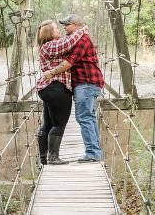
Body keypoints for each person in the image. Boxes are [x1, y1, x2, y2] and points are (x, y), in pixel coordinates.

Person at [42, 14, 104, 162]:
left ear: (76, 25)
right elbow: (62, 47)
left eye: (67, 24)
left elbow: (70, 62)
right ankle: (95, 152)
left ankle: (92, 154)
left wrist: (51, 72)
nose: (64, 27)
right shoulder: (77, 38)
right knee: (88, 117)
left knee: (84, 117)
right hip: (85, 84)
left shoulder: (82, 39)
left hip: (86, 83)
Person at [35, 19, 86, 165]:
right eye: (56, 28)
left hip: (48, 89)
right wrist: (81, 30)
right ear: (50, 33)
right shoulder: (49, 46)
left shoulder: (47, 47)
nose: (59, 30)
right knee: (59, 124)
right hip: (57, 87)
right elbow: (67, 43)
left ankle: (44, 157)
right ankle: (53, 157)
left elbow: (66, 42)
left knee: (48, 124)